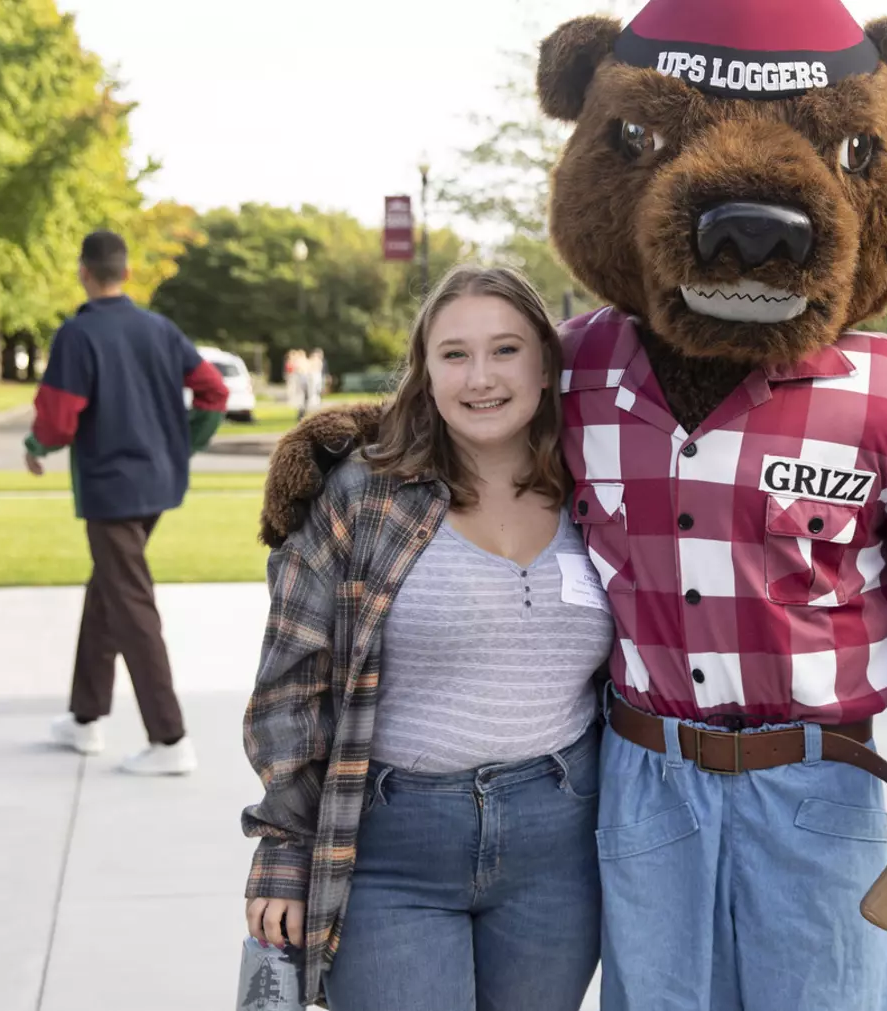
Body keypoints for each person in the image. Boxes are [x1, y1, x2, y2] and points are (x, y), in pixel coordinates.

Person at [240, 264, 614, 1011]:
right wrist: (284, 849)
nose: (481, 377)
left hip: (558, 843)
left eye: (506, 350)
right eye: (454, 354)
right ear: (426, 372)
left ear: (545, 364)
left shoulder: (598, 486)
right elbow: (290, 686)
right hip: (391, 846)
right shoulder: (362, 494)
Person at [29, 230, 229, 774]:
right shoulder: (161, 329)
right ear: (127, 271)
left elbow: (58, 416)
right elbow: (214, 391)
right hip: (157, 487)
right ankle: (85, 718)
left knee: (131, 604)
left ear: (82, 271)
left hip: (111, 489)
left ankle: (170, 740)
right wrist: (184, 442)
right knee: (109, 592)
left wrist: (36, 445)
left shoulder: (78, 333)